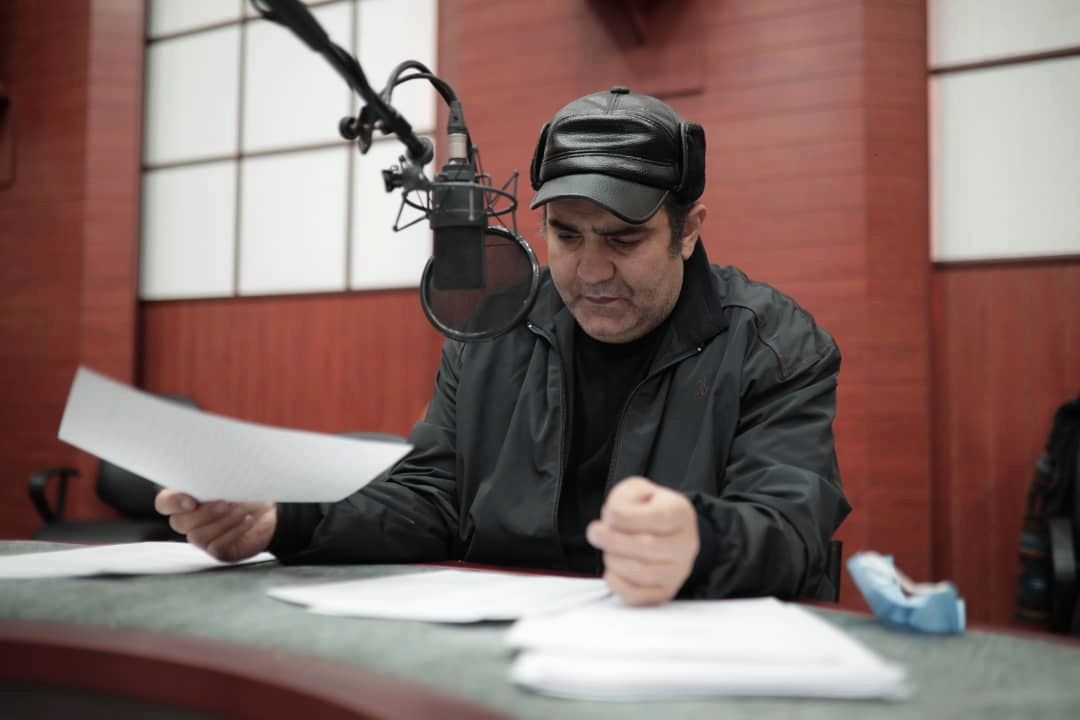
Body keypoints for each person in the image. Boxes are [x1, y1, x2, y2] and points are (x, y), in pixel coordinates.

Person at [156, 86, 851, 605]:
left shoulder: (774, 345)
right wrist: (283, 518)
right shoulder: (496, 325)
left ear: (689, 230)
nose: (591, 271)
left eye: (624, 239)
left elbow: (790, 529)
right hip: (504, 643)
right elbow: (432, 496)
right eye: (567, 235)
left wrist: (699, 540)